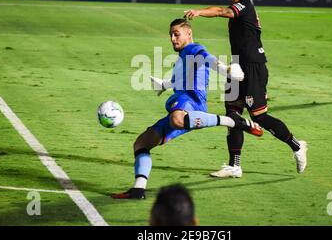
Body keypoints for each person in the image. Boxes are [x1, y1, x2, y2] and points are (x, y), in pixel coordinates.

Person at [111, 18, 263, 199]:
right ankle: (138, 189)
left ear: (188, 34)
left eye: (177, 34)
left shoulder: (193, 48)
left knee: (177, 120)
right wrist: (164, 84)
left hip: (191, 101)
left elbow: (208, 58)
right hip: (183, 104)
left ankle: (232, 121)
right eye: (171, 35)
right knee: (142, 143)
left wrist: (226, 70)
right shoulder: (183, 57)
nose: (173, 39)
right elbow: (179, 78)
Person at [184, 0, 307, 178]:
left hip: (253, 67)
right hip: (237, 67)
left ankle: (297, 146)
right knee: (232, 114)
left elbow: (223, 12)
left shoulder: (244, 4)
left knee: (260, 116)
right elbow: (224, 11)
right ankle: (234, 166)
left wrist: (199, 12)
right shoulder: (238, 5)